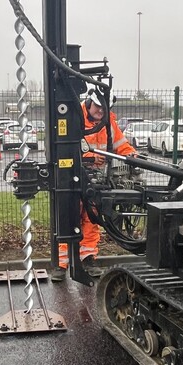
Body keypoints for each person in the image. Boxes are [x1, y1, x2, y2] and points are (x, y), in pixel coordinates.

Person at [51, 89, 136, 282]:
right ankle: (61, 264)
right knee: (68, 217)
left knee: (92, 217)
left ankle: (88, 258)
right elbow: (64, 149)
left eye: (104, 109)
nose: (101, 112)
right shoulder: (73, 117)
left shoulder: (108, 123)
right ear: (89, 102)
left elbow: (121, 144)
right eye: (98, 107)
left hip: (96, 178)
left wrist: (131, 154)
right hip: (71, 175)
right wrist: (90, 157)